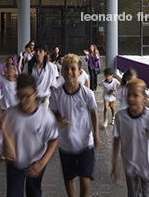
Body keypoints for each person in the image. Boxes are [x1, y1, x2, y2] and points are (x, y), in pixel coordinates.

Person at [50, 54, 99, 197]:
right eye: (66, 69)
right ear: (61, 71)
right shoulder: (57, 94)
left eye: (73, 69)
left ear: (79, 72)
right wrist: (59, 119)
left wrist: (96, 135)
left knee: (85, 177)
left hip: (85, 143)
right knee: (69, 178)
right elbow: (53, 111)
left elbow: (94, 113)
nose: (69, 72)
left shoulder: (87, 94)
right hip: (66, 144)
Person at [4, 74, 59, 197]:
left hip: (36, 162)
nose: (22, 100)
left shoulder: (46, 116)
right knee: (13, 193)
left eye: (27, 96)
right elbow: (4, 135)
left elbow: (53, 140)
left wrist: (42, 162)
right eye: (19, 96)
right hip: (15, 163)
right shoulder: (10, 113)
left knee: (34, 192)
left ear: (35, 94)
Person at [112, 79, 149, 197]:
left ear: (143, 98)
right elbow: (116, 139)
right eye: (128, 94)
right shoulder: (120, 116)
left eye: (135, 95)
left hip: (147, 167)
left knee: (148, 194)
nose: (131, 98)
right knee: (132, 193)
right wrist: (115, 165)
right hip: (129, 165)